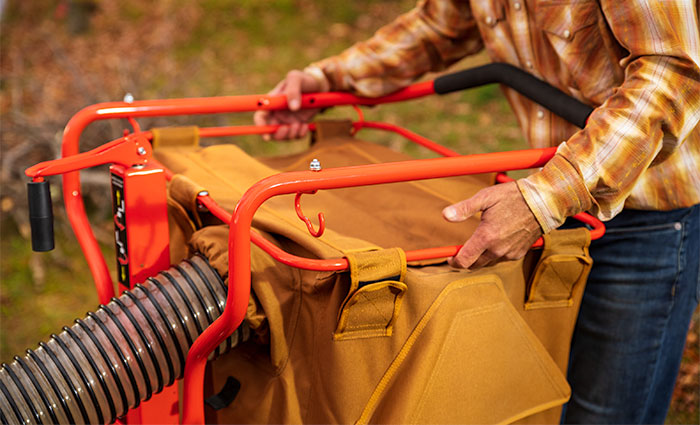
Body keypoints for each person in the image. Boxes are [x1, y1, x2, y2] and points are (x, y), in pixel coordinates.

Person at [253, 1, 700, 423]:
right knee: (535, 395)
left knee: (606, 410)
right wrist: (327, 80)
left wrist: (543, 198)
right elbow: (437, 28)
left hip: (648, 212)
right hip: (553, 200)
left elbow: (672, 74)